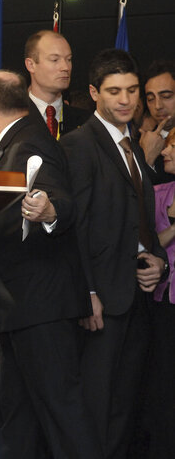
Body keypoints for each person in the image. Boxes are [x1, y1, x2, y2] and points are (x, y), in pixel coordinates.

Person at [0, 70, 101, 459]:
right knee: (18, 422)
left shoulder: (30, 143)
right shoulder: (10, 142)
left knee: (63, 416)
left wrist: (49, 211)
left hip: (38, 307)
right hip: (18, 308)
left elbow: (61, 200)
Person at [61, 48, 167, 458]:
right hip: (101, 301)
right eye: (114, 91)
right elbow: (76, 229)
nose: (126, 100)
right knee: (95, 408)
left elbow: (140, 219)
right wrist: (87, 292)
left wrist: (157, 258)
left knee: (125, 409)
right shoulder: (78, 146)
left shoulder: (135, 147)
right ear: (93, 93)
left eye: (132, 90)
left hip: (138, 297)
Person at [139, 130, 175, 457]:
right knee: (162, 387)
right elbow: (149, 245)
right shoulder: (158, 192)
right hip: (162, 301)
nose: (166, 149)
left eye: (173, 145)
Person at [24, 30, 88, 138]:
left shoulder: (87, 123)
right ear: (31, 65)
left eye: (69, 59)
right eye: (55, 60)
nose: (65, 67)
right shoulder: (11, 120)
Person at [138, 60, 175, 184]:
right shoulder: (139, 144)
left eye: (166, 96)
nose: (158, 106)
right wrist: (147, 159)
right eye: (150, 99)